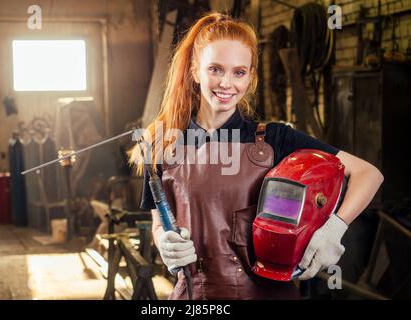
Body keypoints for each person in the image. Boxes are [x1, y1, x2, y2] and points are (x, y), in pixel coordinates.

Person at [129, 13, 384, 300]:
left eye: (239, 72)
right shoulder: (163, 144)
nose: (227, 83)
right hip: (194, 295)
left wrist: (334, 227)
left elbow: (368, 174)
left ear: (250, 77)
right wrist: (164, 242)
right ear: (193, 70)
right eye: (215, 69)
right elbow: (160, 220)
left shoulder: (275, 139)